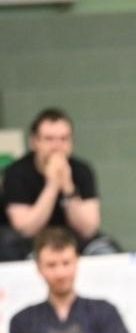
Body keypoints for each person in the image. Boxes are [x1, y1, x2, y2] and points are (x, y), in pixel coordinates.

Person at [0, 107, 117, 261]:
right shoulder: (16, 173)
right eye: (49, 139)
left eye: (64, 139)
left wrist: (68, 187)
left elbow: (88, 228)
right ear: (34, 141)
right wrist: (52, 185)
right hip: (29, 243)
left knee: (105, 250)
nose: (57, 146)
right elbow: (25, 229)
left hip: (70, 238)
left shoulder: (82, 170)